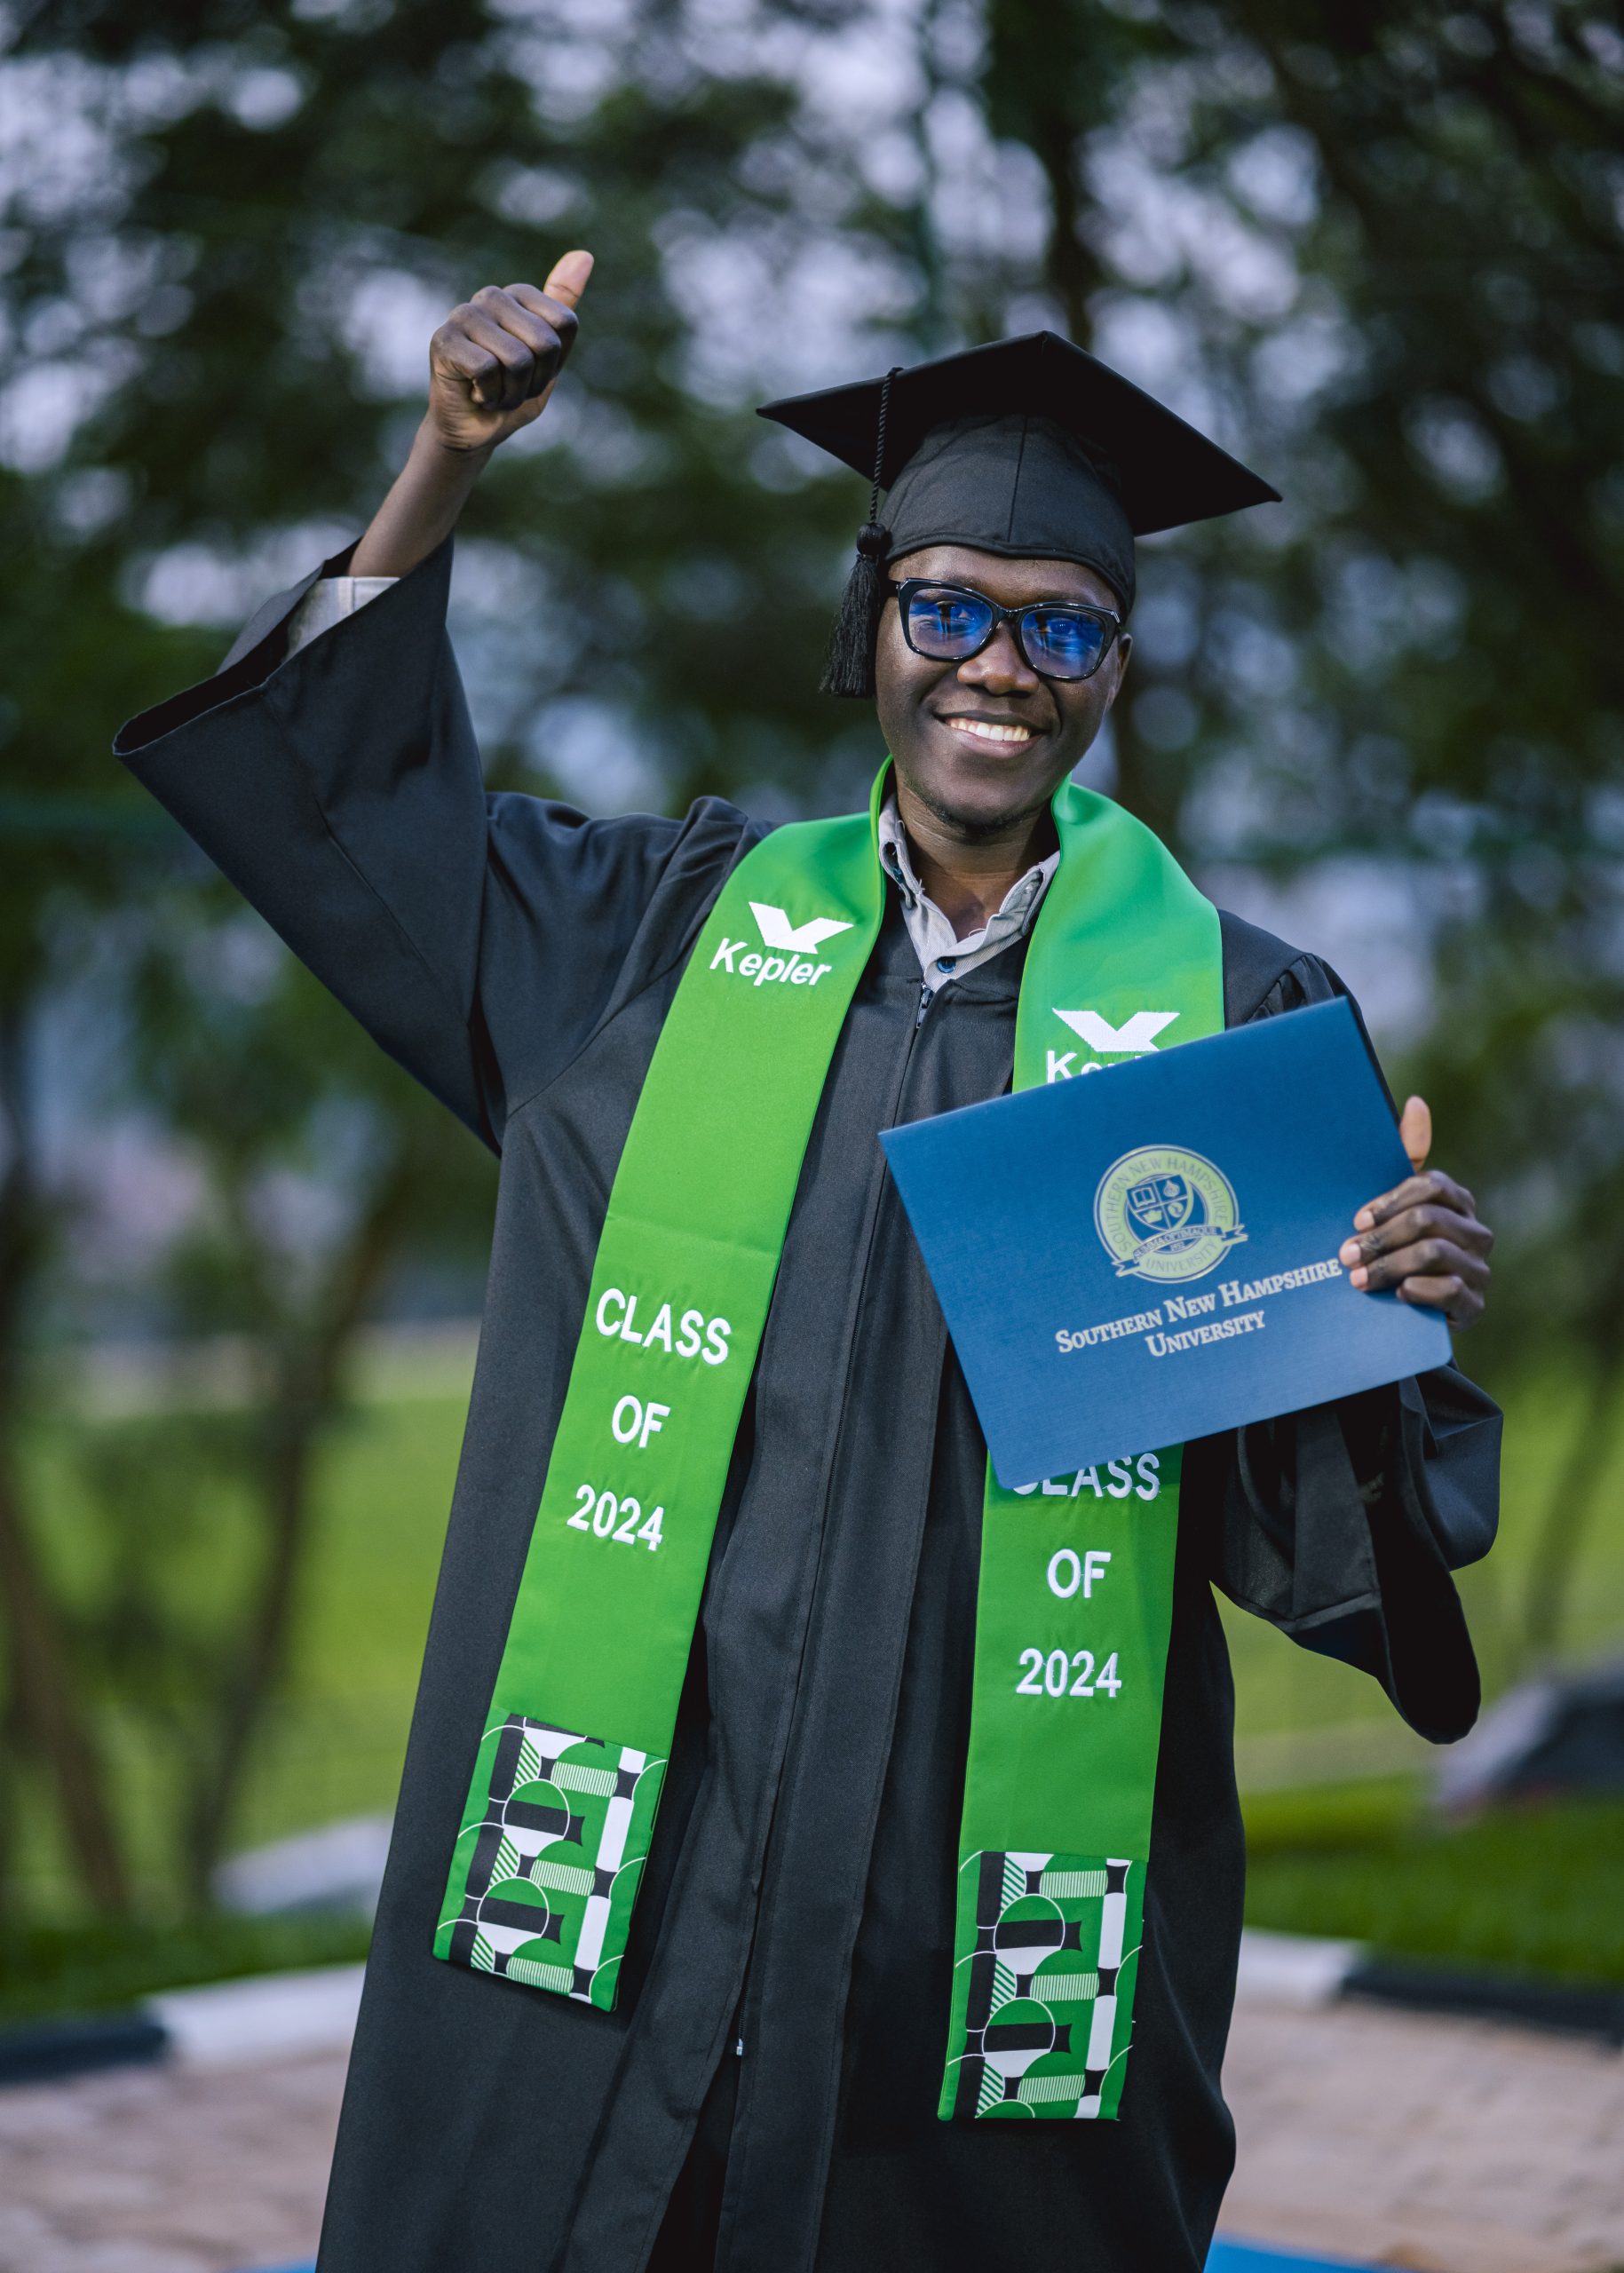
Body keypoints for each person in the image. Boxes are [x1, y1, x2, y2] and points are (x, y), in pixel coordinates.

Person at [115, 251, 1499, 2273]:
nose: (998, 665)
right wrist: (445, 458)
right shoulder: (656, 940)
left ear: (1113, 666)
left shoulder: (1225, 1024)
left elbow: (1302, 1526)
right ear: (873, 621)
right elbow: (349, 803)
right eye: (950, 608)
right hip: (612, 1883)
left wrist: (1375, 1319)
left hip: (956, 1919)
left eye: (1060, 626)